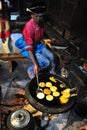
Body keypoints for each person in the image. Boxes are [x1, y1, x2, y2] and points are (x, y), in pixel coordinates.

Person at [15, 1, 55, 79]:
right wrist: (35, 64)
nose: (39, 19)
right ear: (32, 15)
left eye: (41, 16)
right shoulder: (29, 27)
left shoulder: (41, 22)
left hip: (37, 45)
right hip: (27, 47)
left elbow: (44, 31)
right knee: (45, 62)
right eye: (36, 16)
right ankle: (31, 70)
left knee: (51, 56)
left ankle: (51, 72)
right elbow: (29, 49)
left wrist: (51, 38)